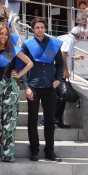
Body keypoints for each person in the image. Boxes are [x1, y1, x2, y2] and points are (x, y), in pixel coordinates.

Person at [21, 17, 64, 162]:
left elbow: (60, 64)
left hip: (50, 87)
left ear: (45, 28)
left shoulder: (52, 43)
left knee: (50, 120)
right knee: (32, 119)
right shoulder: (27, 44)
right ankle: (34, 150)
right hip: (33, 87)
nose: (40, 30)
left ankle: (49, 151)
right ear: (32, 29)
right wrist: (26, 87)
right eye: (37, 27)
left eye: (42, 27)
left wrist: (58, 79)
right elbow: (22, 67)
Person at [0, 24, 33, 162]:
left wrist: (19, 74)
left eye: (6, 34)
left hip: (10, 87)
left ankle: (8, 154)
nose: (3, 36)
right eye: (1, 34)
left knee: (9, 121)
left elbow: (30, 63)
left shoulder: (13, 49)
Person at [55, 26, 85, 128]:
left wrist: (75, 58)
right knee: (62, 96)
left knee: (56, 96)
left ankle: (49, 119)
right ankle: (57, 120)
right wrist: (65, 70)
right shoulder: (70, 40)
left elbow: (64, 54)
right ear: (79, 36)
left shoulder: (63, 37)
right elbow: (63, 53)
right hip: (59, 72)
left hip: (55, 70)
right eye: (82, 38)